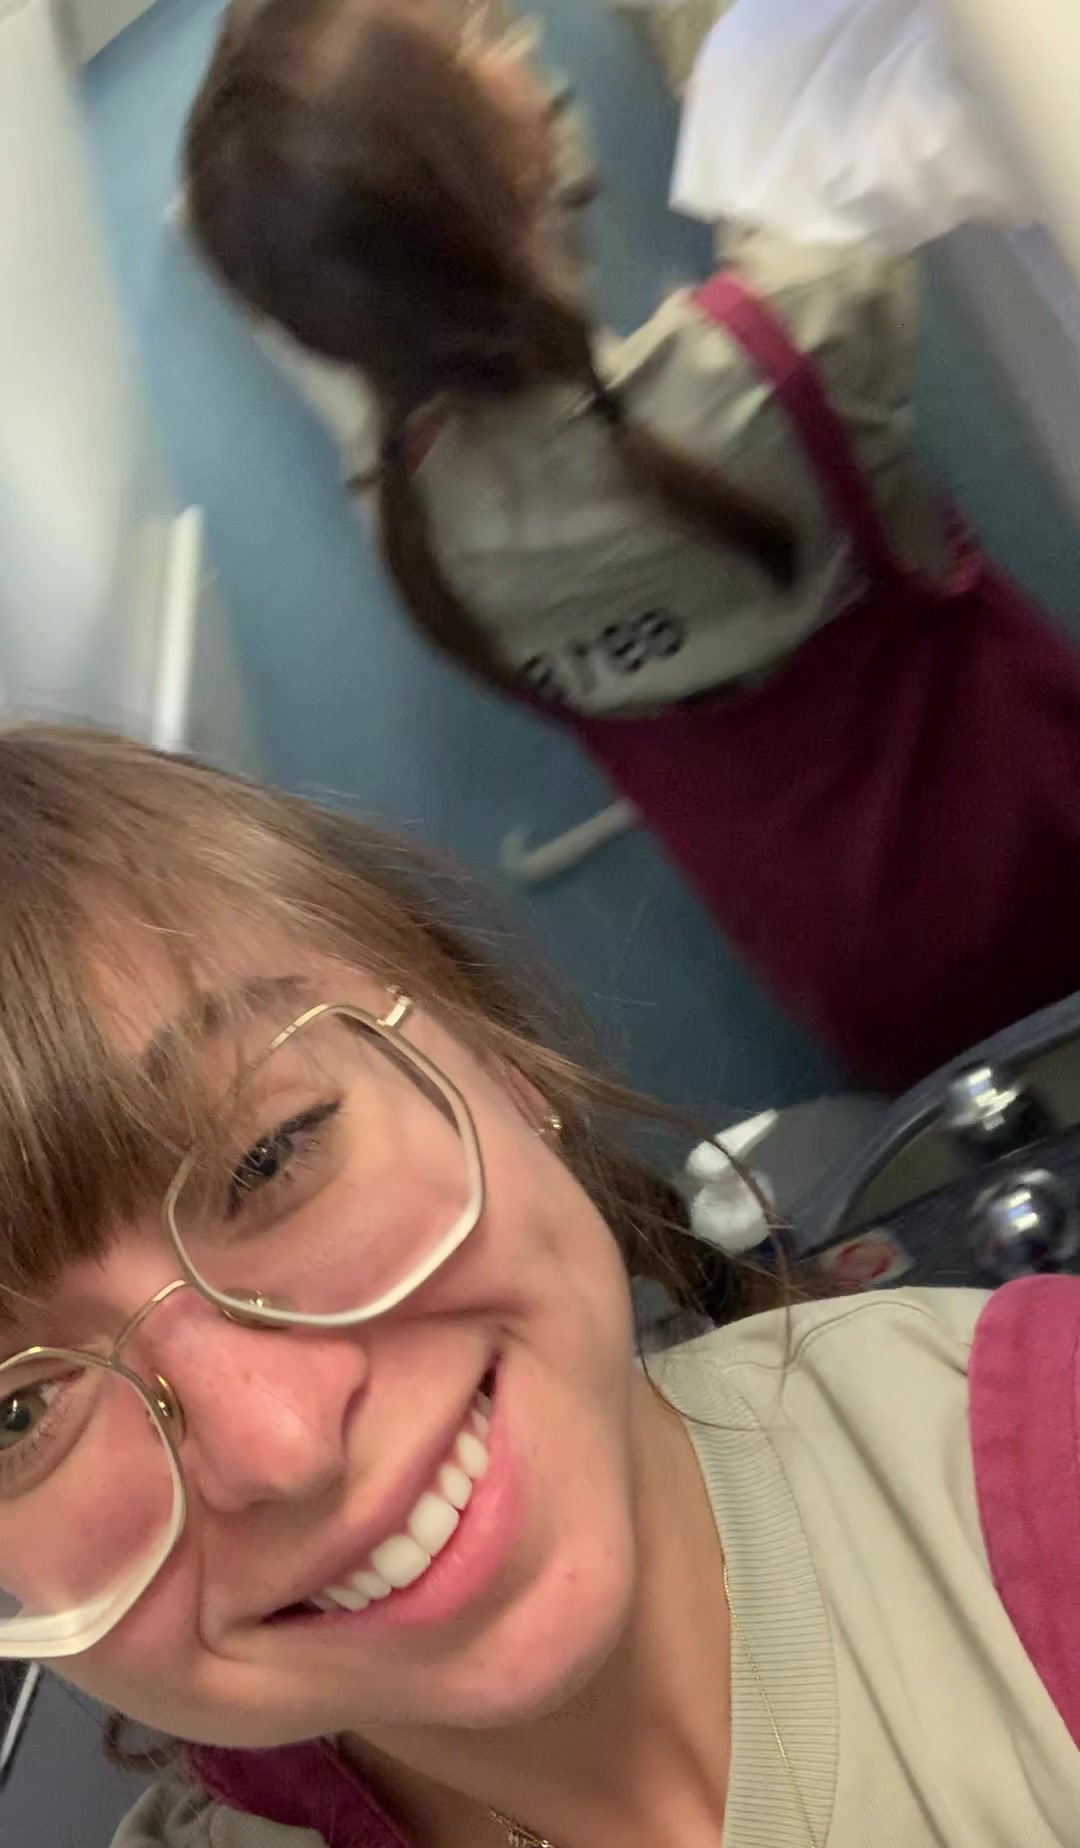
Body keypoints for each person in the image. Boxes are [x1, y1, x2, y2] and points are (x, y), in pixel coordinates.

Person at [0, 723, 1078, 1848]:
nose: (282, 1445)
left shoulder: (1034, 1468)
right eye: (19, 1411)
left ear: (498, 1064)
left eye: (271, 1156)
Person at [181, 0, 1080, 1092]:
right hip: (1048, 853)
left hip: (866, 993)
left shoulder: (410, 523)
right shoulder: (789, 351)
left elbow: (368, 271)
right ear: (490, 156)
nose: (506, 39)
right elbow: (797, 112)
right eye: (476, 42)